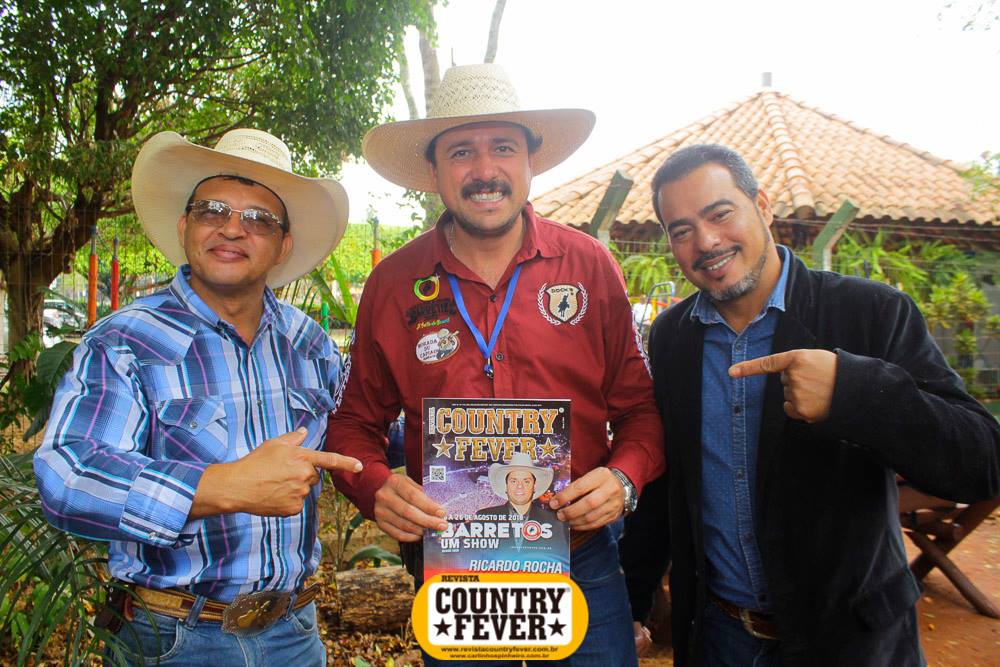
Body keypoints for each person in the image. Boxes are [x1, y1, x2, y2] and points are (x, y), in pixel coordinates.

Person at [328, 63, 665, 666]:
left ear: (530, 161)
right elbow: (353, 423)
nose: (485, 170)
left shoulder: (588, 267)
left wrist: (623, 480)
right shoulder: (393, 284)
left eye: (503, 148)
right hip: (456, 570)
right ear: (434, 171)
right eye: (461, 152)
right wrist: (375, 488)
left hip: (580, 562)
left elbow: (640, 410)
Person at [622, 143, 1000, 666]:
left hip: (850, 642)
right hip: (719, 637)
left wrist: (856, 393)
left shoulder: (870, 312)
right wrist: (634, 602)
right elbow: (668, 485)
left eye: (720, 213)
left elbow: (982, 463)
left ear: (763, 206)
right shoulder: (672, 336)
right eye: (681, 230)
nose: (705, 241)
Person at [33, 128, 362, 666]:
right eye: (213, 210)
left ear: (282, 246)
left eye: (259, 218)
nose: (232, 227)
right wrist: (222, 487)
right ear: (185, 226)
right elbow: (68, 475)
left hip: (294, 634)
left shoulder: (308, 342)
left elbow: (357, 430)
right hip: (173, 638)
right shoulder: (125, 341)